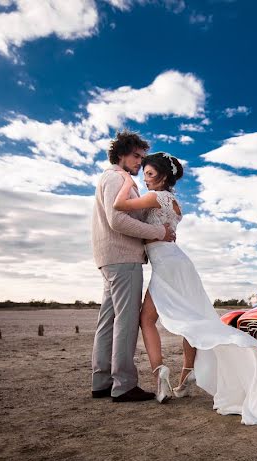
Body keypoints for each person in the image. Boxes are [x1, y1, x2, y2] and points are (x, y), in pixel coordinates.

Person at [113, 151, 257, 424]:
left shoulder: (158, 197)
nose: (144, 179)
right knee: (193, 319)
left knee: (147, 319)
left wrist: (125, 178)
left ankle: (160, 373)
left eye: (149, 174)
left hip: (169, 265)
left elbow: (120, 205)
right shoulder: (173, 201)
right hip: (177, 262)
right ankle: (186, 374)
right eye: (142, 174)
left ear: (164, 176)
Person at [92, 131, 176, 402]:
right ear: (121, 155)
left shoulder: (109, 177)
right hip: (124, 257)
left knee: (108, 321)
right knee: (126, 322)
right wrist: (157, 232)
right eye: (136, 156)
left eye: (142, 157)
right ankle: (124, 385)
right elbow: (118, 220)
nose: (140, 162)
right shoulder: (118, 177)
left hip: (108, 258)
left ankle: (102, 381)